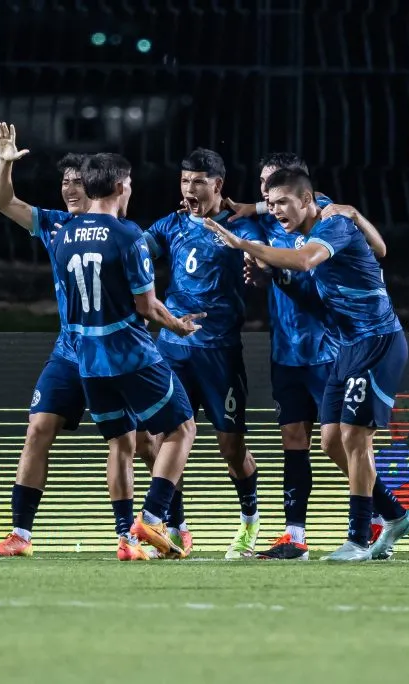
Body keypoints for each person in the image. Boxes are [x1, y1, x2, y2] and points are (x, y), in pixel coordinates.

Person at [205, 168, 409, 562]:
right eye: (271, 204)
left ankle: (358, 539)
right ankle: (396, 515)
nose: (275, 210)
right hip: (348, 344)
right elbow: (374, 248)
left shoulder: (332, 225)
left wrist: (243, 244)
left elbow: (304, 261)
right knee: (331, 441)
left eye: (282, 202)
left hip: (378, 340)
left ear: (308, 200)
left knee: (355, 437)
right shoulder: (309, 221)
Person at [0, 123, 171, 559]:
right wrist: (5, 164)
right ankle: (21, 535)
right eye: (64, 181)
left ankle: (164, 524)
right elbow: (3, 202)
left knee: (142, 443)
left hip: (114, 351)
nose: (69, 188)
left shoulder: (118, 231)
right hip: (69, 351)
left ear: (95, 186)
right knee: (38, 429)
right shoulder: (57, 226)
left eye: (77, 182)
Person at [51, 152, 203, 560]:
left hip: (87, 361)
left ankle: (126, 540)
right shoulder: (128, 235)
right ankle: (151, 518)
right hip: (130, 355)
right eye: (130, 182)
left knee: (121, 444)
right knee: (182, 428)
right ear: (120, 186)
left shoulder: (62, 236)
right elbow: (147, 306)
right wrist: (178, 326)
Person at [239, 153, 390, 560]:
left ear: (302, 190)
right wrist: (264, 275)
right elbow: (277, 271)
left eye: (274, 185)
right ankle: (295, 536)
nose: (267, 195)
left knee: (344, 441)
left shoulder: (325, 218)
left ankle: (380, 518)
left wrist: (354, 215)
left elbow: (376, 250)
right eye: (263, 187)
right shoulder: (271, 221)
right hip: (286, 348)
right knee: (294, 438)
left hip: (330, 347)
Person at [142, 148, 267, 559]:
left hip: (219, 352)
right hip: (172, 349)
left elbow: (265, 267)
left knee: (231, 448)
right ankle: (176, 529)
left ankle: (250, 521)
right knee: (161, 440)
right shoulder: (171, 224)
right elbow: (136, 252)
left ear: (218, 185)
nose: (189, 189)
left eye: (198, 181)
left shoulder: (240, 226)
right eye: (184, 181)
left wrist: (258, 267)